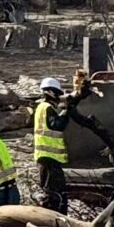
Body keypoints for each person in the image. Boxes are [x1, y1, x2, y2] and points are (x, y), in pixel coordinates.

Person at [32, 77, 74, 213]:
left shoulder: (41, 107)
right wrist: (68, 111)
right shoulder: (47, 108)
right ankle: (54, 222)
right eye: (57, 94)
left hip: (46, 158)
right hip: (49, 159)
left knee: (53, 193)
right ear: (51, 92)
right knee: (54, 195)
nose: (58, 98)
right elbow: (58, 126)